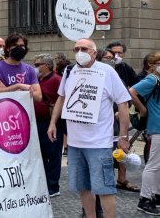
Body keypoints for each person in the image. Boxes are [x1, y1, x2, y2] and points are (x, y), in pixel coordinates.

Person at [48, 38, 132, 218]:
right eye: (76, 48)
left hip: (99, 143)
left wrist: (123, 136)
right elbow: (61, 98)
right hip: (75, 143)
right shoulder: (70, 71)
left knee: (104, 188)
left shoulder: (107, 71)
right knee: (83, 187)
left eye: (84, 48)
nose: (80, 52)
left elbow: (123, 104)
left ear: (94, 52)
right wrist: (53, 123)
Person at [102, 47, 140, 192]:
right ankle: (107, 181)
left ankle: (121, 179)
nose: (112, 59)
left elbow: (126, 96)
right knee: (106, 152)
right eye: (108, 57)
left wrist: (120, 111)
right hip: (102, 122)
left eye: (115, 56)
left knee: (121, 147)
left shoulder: (121, 70)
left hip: (116, 120)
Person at [129, 51, 160, 215]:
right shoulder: (151, 79)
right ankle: (145, 199)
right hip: (157, 127)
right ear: (153, 65)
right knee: (153, 165)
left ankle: (156, 195)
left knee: (158, 165)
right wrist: (142, 110)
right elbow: (131, 91)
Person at [33, 54, 63, 197]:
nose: (35, 67)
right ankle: (44, 184)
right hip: (37, 122)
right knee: (41, 155)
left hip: (51, 123)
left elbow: (62, 100)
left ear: (47, 66)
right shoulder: (37, 80)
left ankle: (53, 186)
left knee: (53, 155)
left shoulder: (57, 80)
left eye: (38, 64)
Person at [0, 33, 42, 103]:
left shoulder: (29, 69)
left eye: (22, 45)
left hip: (25, 112)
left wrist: (6, 89)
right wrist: (18, 86)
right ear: (8, 48)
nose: (19, 48)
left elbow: (38, 97)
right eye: (15, 45)